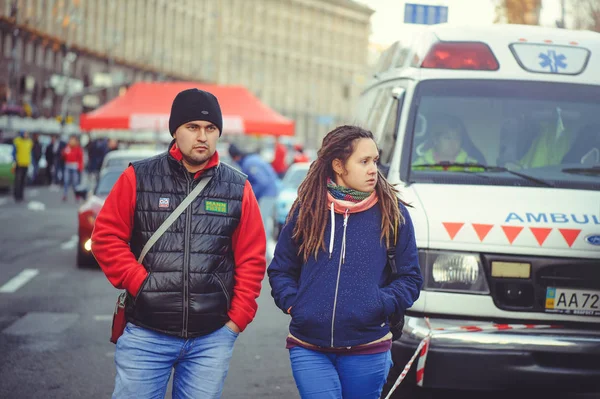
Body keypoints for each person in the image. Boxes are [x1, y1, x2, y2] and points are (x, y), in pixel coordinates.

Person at [91, 88, 267, 399]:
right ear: (176, 130)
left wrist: (237, 320)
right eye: (193, 127)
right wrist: (139, 282)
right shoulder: (138, 177)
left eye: (211, 128)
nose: (203, 136)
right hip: (147, 333)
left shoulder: (238, 187)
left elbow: (252, 258)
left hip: (211, 338)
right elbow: (105, 237)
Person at [268, 125, 423, 399]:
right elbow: (281, 268)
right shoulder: (308, 209)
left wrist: (377, 303)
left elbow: (410, 279)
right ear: (339, 165)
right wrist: (297, 304)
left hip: (368, 347)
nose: (373, 169)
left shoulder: (393, 213)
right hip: (309, 345)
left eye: (375, 160)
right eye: (363, 162)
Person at [228, 142, 280, 239]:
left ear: (236, 157)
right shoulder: (252, 160)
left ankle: (265, 250)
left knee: (262, 222)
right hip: (271, 192)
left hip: (267, 195)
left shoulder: (249, 164)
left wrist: (250, 196)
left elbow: (262, 182)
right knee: (265, 221)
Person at [413, 114, 478, 168]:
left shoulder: (472, 165)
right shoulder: (420, 165)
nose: (453, 143)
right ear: (435, 140)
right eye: (447, 138)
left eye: (457, 138)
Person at [61, 135, 84, 202]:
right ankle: (65, 195)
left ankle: (77, 195)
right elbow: (63, 156)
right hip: (68, 165)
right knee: (66, 181)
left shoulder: (78, 148)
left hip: (74, 166)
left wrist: (80, 167)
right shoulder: (67, 147)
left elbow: (80, 158)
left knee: (75, 183)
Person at [12, 131, 33, 202]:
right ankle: (16, 195)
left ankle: (21, 195)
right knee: (18, 181)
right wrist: (15, 160)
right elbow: (13, 152)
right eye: (25, 133)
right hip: (19, 163)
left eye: (27, 133)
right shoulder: (17, 141)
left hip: (26, 163)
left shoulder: (29, 142)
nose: (26, 135)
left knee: (23, 180)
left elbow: (30, 152)